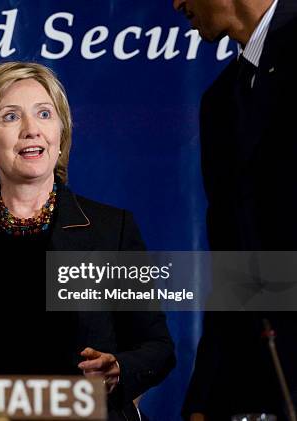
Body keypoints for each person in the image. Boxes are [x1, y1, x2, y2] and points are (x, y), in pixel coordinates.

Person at [0, 61, 176, 421]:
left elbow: (157, 348)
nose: (31, 129)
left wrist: (119, 368)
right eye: (10, 117)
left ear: (61, 133)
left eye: (44, 113)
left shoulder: (110, 229)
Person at [173, 0, 297, 419]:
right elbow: (236, 269)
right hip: (272, 383)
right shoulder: (220, 102)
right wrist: (204, 398)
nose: (175, 4)